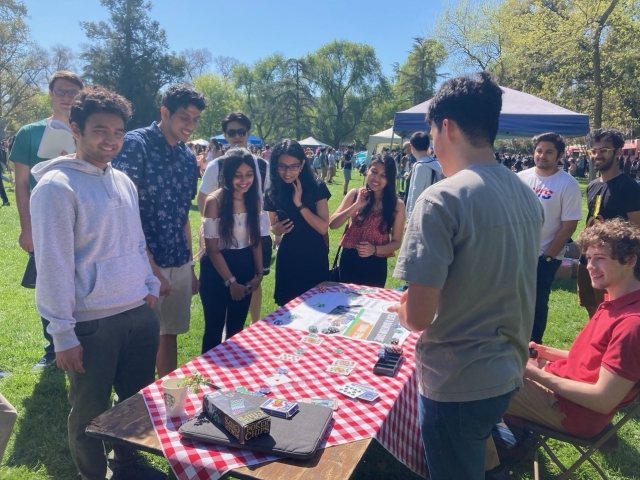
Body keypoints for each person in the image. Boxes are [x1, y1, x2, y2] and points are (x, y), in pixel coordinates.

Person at [389, 72, 543, 480]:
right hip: (507, 368)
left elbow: (418, 317)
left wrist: (402, 308)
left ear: (447, 127)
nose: (433, 144)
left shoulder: (440, 199)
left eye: (431, 132)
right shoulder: (524, 192)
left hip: (458, 380)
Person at [30, 86, 162, 480]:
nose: (110, 140)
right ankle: (94, 475)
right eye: (100, 130)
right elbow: (52, 264)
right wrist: (62, 332)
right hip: (92, 323)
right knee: (90, 411)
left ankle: (128, 465)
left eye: (118, 132)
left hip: (138, 311)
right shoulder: (55, 188)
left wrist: (150, 286)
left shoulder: (122, 180)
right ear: (76, 128)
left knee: (134, 402)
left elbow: (136, 241)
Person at [487, 218, 640, 467]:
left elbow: (603, 399)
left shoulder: (632, 323)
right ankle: (511, 441)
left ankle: (487, 468)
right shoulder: (617, 300)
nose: (590, 266)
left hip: (571, 412)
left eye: (600, 258)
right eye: (588, 258)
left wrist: (532, 373)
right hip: (564, 392)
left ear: (630, 261)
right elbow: (590, 360)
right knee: (490, 359)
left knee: (473, 384)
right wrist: (541, 350)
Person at [112, 83, 206, 378]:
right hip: (140, 261)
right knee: (141, 339)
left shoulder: (188, 157)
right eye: (184, 117)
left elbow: (182, 215)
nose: (190, 125)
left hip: (177, 259)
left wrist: (189, 266)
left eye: (195, 119)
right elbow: (123, 212)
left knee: (170, 334)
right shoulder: (135, 144)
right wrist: (150, 267)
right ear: (165, 112)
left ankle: (167, 394)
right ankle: (134, 402)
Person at [9, 70, 84, 370]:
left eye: (73, 93)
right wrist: (27, 228)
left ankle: (81, 337)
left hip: (80, 215)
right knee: (49, 279)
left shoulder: (85, 129)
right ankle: (53, 346)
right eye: (62, 91)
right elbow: (21, 184)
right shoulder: (29, 132)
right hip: (45, 219)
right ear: (51, 93)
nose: (67, 98)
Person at [197, 112, 271, 324]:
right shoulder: (216, 166)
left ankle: (254, 324)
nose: (237, 136)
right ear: (225, 135)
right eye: (232, 132)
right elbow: (204, 202)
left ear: (248, 133)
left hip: (256, 234)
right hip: (223, 239)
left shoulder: (263, 165)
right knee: (217, 317)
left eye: (241, 131)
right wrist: (213, 227)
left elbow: (266, 200)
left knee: (256, 284)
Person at [518, 133, 582, 344]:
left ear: (560, 155)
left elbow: (568, 226)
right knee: (511, 300)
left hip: (545, 257)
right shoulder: (521, 177)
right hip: (517, 253)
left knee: (537, 303)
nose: (542, 155)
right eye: (539, 150)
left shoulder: (567, 183)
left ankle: (533, 347)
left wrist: (547, 257)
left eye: (549, 152)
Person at [199, 149, 263, 353]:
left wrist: (259, 274)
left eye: (249, 174)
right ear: (227, 175)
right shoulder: (214, 201)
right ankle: (207, 376)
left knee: (237, 329)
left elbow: (255, 241)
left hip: (244, 264)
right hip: (217, 270)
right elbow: (212, 249)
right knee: (214, 329)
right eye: (238, 175)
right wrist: (231, 282)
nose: (244, 180)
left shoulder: (254, 200)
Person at [578, 128, 640, 319]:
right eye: (593, 151)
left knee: (613, 312)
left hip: (614, 262)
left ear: (618, 152)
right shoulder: (592, 185)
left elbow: (637, 230)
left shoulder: (628, 187)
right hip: (588, 258)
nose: (597, 155)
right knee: (592, 308)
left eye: (604, 150)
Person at [265, 139, 331, 306]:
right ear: (275, 165)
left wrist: (299, 204)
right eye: (282, 166)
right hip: (289, 257)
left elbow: (323, 227)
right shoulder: (272, 191)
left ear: (302, 164)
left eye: (293, 166)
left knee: (319, 307)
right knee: (289, 311)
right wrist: (277, 229)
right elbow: (274, 229)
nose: (288, 172)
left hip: (314, 255)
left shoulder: (317, 186)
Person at [329, 154, 405, 287]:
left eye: (383, 175)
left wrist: (374, 249)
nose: (376, 178)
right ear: (367, 170)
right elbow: (333, 224)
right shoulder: (355, 194)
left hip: (376, 263)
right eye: (374, 172)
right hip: (349, 259)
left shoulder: (396, 204)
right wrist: (356, 205)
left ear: (389, 179)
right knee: (345, 304)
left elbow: (397, 242)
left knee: (370, 305)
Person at [404, 132, 443, 219]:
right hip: (436, 211)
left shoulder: (420, 166)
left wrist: (410, 218)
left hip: (421, 213)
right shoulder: (437, 163)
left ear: (411, 147)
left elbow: (415, 194)